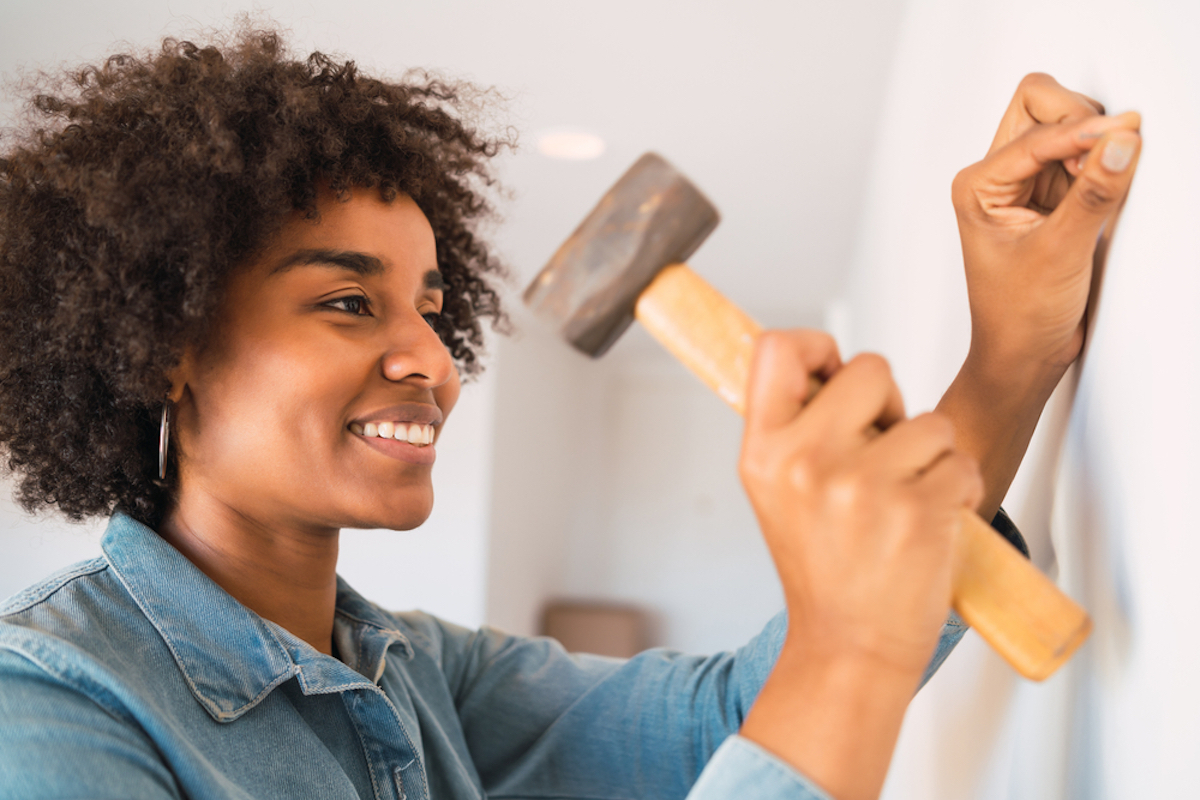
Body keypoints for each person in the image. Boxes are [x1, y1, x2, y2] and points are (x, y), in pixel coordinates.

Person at [0, 28, 1140, 800]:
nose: (432, 360)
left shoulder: (420, 671)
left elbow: (731, 719)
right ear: (165, 347)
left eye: (434, 308)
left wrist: (1009, 357)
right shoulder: (46, 698)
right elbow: (805, 697)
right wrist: (850, 651)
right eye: (349, 300)